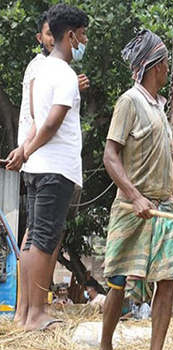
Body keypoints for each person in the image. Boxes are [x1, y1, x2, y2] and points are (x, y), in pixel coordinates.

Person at [101, 29, 173, 350]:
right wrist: (135, 196)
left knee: (167, 281)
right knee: (118, 282)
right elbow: (110, 155)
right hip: (132, 209)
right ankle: (105, 344)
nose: (168, 69)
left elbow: (166, 150)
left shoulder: (158, 108)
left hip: (162, 209)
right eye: (165, 62)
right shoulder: (129, 102)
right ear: (156, 66)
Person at [11, 3, 89, 331]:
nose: (85, 42)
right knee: (45, 238)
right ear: (70, 36)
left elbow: (33, 122)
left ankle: (25, 313)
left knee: (32, 238)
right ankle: (37, 315)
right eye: (83, 35)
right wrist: (28, 149)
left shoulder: (39, 73)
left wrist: (25, 151)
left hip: (36, 168)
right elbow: (52, 124)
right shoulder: (66, 75)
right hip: (55, 168)